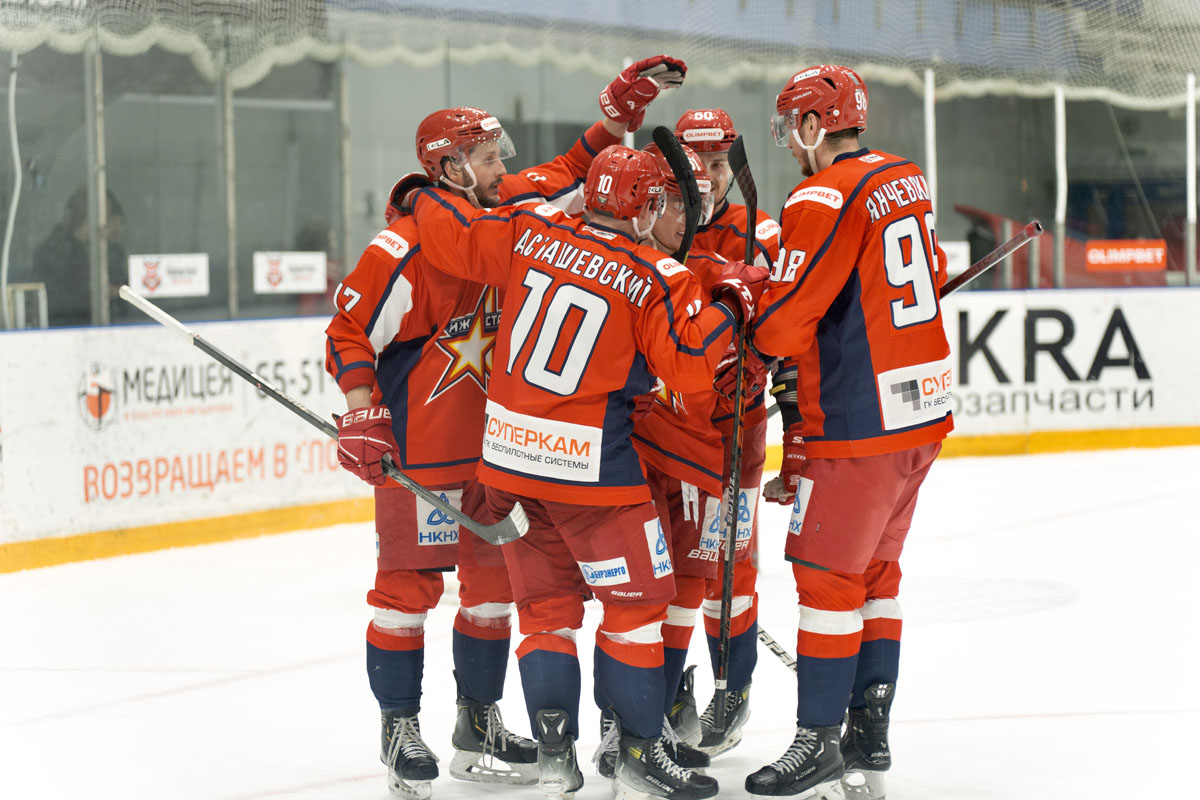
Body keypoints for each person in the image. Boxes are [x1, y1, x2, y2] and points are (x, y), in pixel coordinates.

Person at [326, 56, 689, 800]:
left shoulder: (503, 211)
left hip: (496, 459)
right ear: (449, 168)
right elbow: (347, 332)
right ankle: (400, 728)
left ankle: (478, 723)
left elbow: (571, 172)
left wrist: (614, 120)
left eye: (499, 156)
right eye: (490, 158)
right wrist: (362, 408)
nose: (504, 170)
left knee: (490, 592)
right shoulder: (400, 249)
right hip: (419, 456)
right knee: (406, 591)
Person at [406, 143, 768, 800]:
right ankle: (637, 751)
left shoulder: (530, 230)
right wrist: (732, 306)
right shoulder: (654, 273)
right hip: (590, 474)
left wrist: (420, 193)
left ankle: (554, 758)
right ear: (645, 206)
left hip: (507, 463)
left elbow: (453, 236)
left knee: (546, 610)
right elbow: (689, 367)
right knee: (639, 606)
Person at [742, 65, 953, 799]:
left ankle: (819, 742)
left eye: (790, 127)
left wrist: (748, 316)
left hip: (860, 425)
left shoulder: (821, 195)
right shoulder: (905, 176)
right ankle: (869, 737)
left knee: (829, 579)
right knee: (876, 577)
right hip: (922, 415)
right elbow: (929, 271)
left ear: (812, 125)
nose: (789, 144)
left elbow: (785, 323)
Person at [590, 142, 721, 779]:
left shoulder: (700, 268)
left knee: (677, 590)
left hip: (688, 458)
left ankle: (653, 723)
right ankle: (623, 732)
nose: (685, 217)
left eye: (692, 203)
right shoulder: (634, 269)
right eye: (673, 203)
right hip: (630, 455)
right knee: (633, 598)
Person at [669, 108, 784, 756]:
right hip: (663, 431)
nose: (709, 176)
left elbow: (790, 323)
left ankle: (731, 692)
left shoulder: (759, 232)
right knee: (664, 573)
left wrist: (764, 350)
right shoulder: (658, 220)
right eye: (697, 164)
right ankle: (665, 688)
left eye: (719, 164)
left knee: (730, 568)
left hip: (734, 430)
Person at [32, 186, 126, 326]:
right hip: (66, 327)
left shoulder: (104, 249)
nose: (107, 224)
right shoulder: (53, 251)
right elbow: (53, 300)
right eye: (106, 216)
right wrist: (93, 295)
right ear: (87, 217)